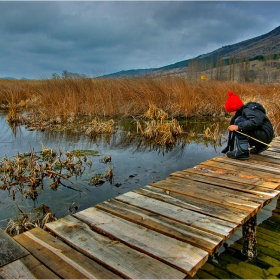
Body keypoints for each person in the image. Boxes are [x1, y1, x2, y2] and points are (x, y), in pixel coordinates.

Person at [222, 91, 274, 160]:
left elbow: (255, 122)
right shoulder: (248, 110)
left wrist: (238, 127)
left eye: (229, 111)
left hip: (264, 135)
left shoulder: (248, 111)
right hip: (266, 135)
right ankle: (261, 146)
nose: (229, 113)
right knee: (242, 123)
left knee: (239, 122)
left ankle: (243, 152)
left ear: (234, 109)